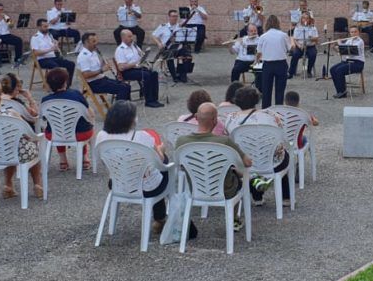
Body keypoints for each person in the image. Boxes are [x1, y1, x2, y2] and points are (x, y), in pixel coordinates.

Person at [97, 101, 184, 234]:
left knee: (154, 171)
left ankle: (158, 219)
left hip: (117, 184)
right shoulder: (142, 137)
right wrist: (161, 149)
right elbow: (159, 161)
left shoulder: (101, 136)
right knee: (164, 167)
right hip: (146, 188)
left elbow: (103, 160)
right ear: (130, 120)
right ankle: (160, 218)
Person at [175, 103, 254, 231]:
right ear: (215, 120)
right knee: (237, 177)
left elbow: (180, 166)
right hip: (224, 191)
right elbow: (247, 163)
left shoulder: (181, 142)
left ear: (196, 117)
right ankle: (233, 219)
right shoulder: (224, 142)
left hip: (196, 188)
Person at [223, 85, 290, 204]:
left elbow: (229, 140)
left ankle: (257, 197)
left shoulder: (230, 118)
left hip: (246, 164)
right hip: (272, 163)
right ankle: (286, 197)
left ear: (237, 101)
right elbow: (282, 137)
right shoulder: (270, 115)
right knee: (283, 154)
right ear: (256, 99)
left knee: (249, 153)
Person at [0, 81, 42, 200]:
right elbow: (28, 134)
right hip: (19, 153)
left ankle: (8, 184)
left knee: (7, 146)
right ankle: (37, 183)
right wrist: (35, 138)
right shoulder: (11, 113)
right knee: (30, 147)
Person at [41, 68, 95, 172]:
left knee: (58, 125)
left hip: (54, 135)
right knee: (83, 123)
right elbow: (90, 114)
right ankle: (84, 159)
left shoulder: (46, 100)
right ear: (65, 82)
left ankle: (63, 160)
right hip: (80, 134)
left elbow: (44, 118)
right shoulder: (76, 95)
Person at [76, 33, 131, 101]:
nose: (96, 43)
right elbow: (86, 75)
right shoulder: (83, 56)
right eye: (93, 41)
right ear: (86, 42)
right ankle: (119, 110)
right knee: (123, 88)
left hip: (101, 79)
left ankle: (126, 108)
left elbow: (96, 68)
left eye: (96, 41)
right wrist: (102, 70)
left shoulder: (93, 52)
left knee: (126, 86)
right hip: (94, 84)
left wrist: (103, 64)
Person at [116, 29, 164, 108]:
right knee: (146, 75)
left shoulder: (134, 46)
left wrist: (144, 57)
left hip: (137, 68)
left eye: (132, 36)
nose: (132, 38)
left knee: (154, 73)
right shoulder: (120, 50)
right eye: (129, 36)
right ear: (123, 38)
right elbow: (121, 67)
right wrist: (135, 64)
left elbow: (141, 55)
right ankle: (149, 101)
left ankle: (154, 99)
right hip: (127, 72)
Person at [151, 9, 194, 83]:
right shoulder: (163, 26)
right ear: (169, 17)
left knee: (187, 56)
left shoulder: (180, 26)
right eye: (173, 16)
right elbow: (154, 36)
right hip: (167, 49)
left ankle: (182, 74)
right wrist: (159, 43)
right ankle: (174, 76)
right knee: (169, 57)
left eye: (176, 16)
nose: (175, 18)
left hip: (178, 48)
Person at [257, 15, 291, 108]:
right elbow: (289, 48)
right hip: (281, 63)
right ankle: (279, 110)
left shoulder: (263, 36)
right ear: (278, 23)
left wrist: (256, 61)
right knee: (280, 90)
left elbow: (259, 52)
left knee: (266, 90)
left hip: (268, 64)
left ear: (267, 24)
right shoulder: (283, 35)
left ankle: (265, 110)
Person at [330, 26, 366, 99]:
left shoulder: (360, 41)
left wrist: (340, 44)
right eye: (352, 32)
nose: (353, 34)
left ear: (358, 32)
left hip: (357, 63)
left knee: (340, 70)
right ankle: (339, 90)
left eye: (355, 32)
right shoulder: (349, 40)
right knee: (332, 69)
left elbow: (351, 50)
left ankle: (343, 92)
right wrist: (335, 48)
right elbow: (343, 52)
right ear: (350, 33)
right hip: (347, 61)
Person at [289, 13, 319, 79]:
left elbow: (316, 39)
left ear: (309, 20)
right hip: (300, 46)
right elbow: (295, 39)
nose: (305, 19)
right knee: (295, 54)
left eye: (307, 18)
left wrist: (311, 38)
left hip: (310, 46)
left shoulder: (313, 28)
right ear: (301, 19)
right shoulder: (297, 28)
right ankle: (291, 72)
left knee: (313, 54)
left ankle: (309, 71)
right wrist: (299, 45)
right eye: (303, 18)